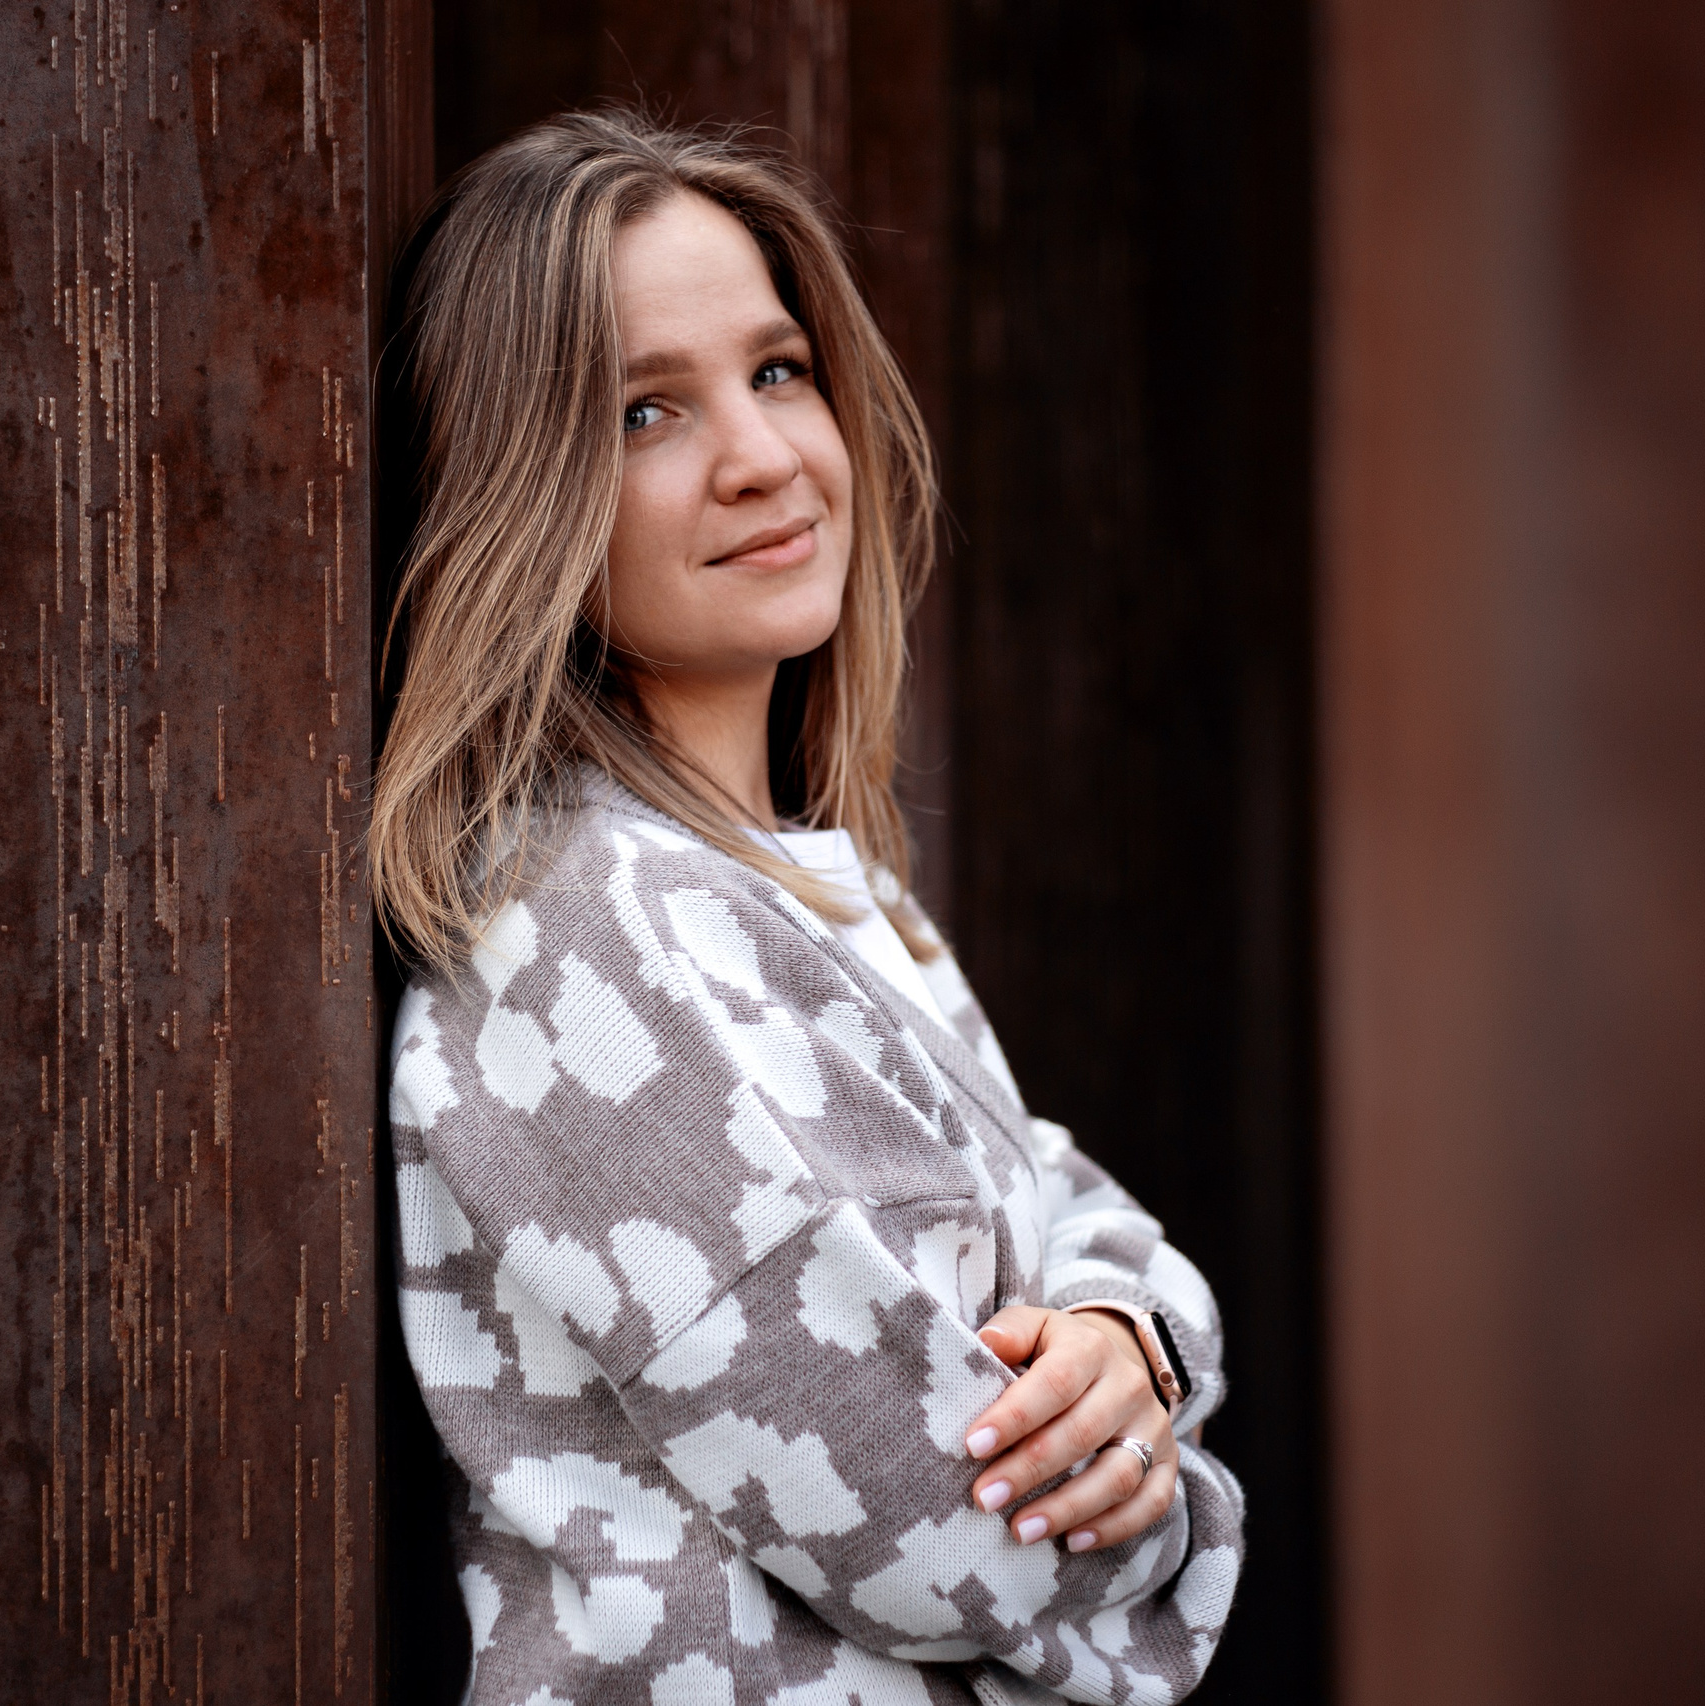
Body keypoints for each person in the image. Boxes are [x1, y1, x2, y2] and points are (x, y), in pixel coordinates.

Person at [369, 109, 1243, 1706]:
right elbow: (965, 1536)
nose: (763, 455)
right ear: (520, 494)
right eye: (646, 411)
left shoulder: (834, 893)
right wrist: (1182, 1501)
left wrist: (1132, 1337)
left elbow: (1064, 1192)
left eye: (777, 371)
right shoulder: (572, 941)